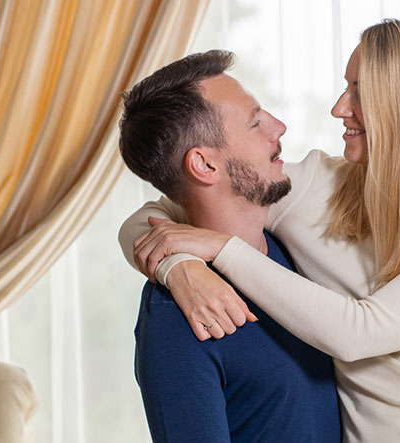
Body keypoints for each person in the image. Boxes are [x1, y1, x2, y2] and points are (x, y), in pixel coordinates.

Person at [120, 18, 400, 442]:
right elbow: (177, 202)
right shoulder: (317, 189)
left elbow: (358, 333)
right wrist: (178, 266)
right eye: (346, 86)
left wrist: (219, 249)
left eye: (360, 90)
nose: (339, 107)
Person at [118, 51, 341, 442]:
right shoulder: (177, 319)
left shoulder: (297, 249)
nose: (279, 127)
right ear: (205, 165)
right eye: (255, 122)